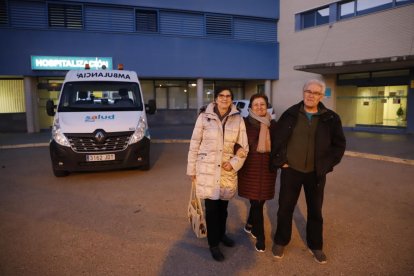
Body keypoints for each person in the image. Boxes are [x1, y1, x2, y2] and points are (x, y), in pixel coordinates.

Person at [270, 79, 346, 264]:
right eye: (308, 91)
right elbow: (277, 139)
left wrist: (327, 165)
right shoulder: (290, 114)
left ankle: (316, 245)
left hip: (316, 173)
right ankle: (281, 241)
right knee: (285, 208)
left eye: (315, 93)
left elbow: (339, 145)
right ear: (303, 93)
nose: (311, 95)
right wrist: (281, 161)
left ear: (321, 96)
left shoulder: (331, 118)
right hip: (291, 170)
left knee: (315, 210)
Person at [187, 87, 249, 262]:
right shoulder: (204, 117)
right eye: (221, 95)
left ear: (231, 99)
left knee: (223, 208)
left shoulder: (237, 119)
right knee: (212, 209)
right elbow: (194, 143)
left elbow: (244, 147)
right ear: (215, 98)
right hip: (206, 169)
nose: (225, 99)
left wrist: (235, 163)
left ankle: (221, 235)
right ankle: (213, 244)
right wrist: (191, 170)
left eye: (228, 96)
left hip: (226, 170)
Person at [237, 94, 277, 253]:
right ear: (250, 108)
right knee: (256, 202)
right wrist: (237, 152)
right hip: (250, 169)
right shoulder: (244, 124)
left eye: (262, 104)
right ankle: (261, 238)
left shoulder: (273, 125)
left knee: (259, 202)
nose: (259, 107)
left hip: (268, 170)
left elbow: (280, 145)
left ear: (266, 106)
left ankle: (249, 224)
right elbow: (236, 143)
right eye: (256, 105)